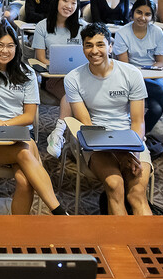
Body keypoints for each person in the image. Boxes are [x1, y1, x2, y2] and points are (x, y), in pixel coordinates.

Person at [0, 23, 68, 215]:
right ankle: (59, 212)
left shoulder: (26, 73)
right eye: (0, 45)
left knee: (25, 182)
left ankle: (19, 232)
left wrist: (6, 125)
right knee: (26, 154)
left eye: (10, 46)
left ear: (16, 48)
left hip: (18, 134)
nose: (5, 50)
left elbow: (28, 115)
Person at [65, 22, 152, 216]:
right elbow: (86, 124)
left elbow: (138, 122)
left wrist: (132, 151)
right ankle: (120, 244)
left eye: (100, 44)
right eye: (89, 45)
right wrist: (118, 154)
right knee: (115, 185)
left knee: (137, 193)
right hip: (95, 142)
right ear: (83, 48)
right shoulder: (73, 78)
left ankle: (148, 245)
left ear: (110, 46)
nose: (94, 50)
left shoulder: (131, 74)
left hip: (131, 141)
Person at [114, 0, 163, 155]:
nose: (143, 17)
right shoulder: (122, 33)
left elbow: (161, 63)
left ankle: (140, 136)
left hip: (152, 76)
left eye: (147, 14)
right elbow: (125, 66)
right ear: (132, 13)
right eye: (139, 12)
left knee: (156, 108)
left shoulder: (157, 32)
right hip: (130, 79)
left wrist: (149, 70)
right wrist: (143, 71)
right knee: (160, 89)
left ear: (152, 16)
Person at [32, 0, 85, 157]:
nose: (69, 6)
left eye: (73, 3)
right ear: (57, 2)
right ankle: (60, 133)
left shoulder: (82, 28)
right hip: (55, 77)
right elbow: (40, 57)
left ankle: (75, 138)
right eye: (65, 0)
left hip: (81, 78)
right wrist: (55, 65)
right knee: (73, 95)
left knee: (79, 92)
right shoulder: (43, 26)